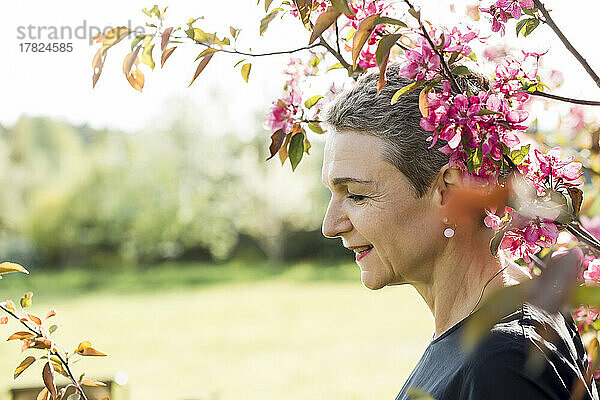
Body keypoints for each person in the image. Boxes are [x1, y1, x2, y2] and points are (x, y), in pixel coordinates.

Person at [319, 63, 599, 400]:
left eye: (357, 195)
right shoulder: (486, 333)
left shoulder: (500, 365)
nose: (330, 226)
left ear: (447, 190)